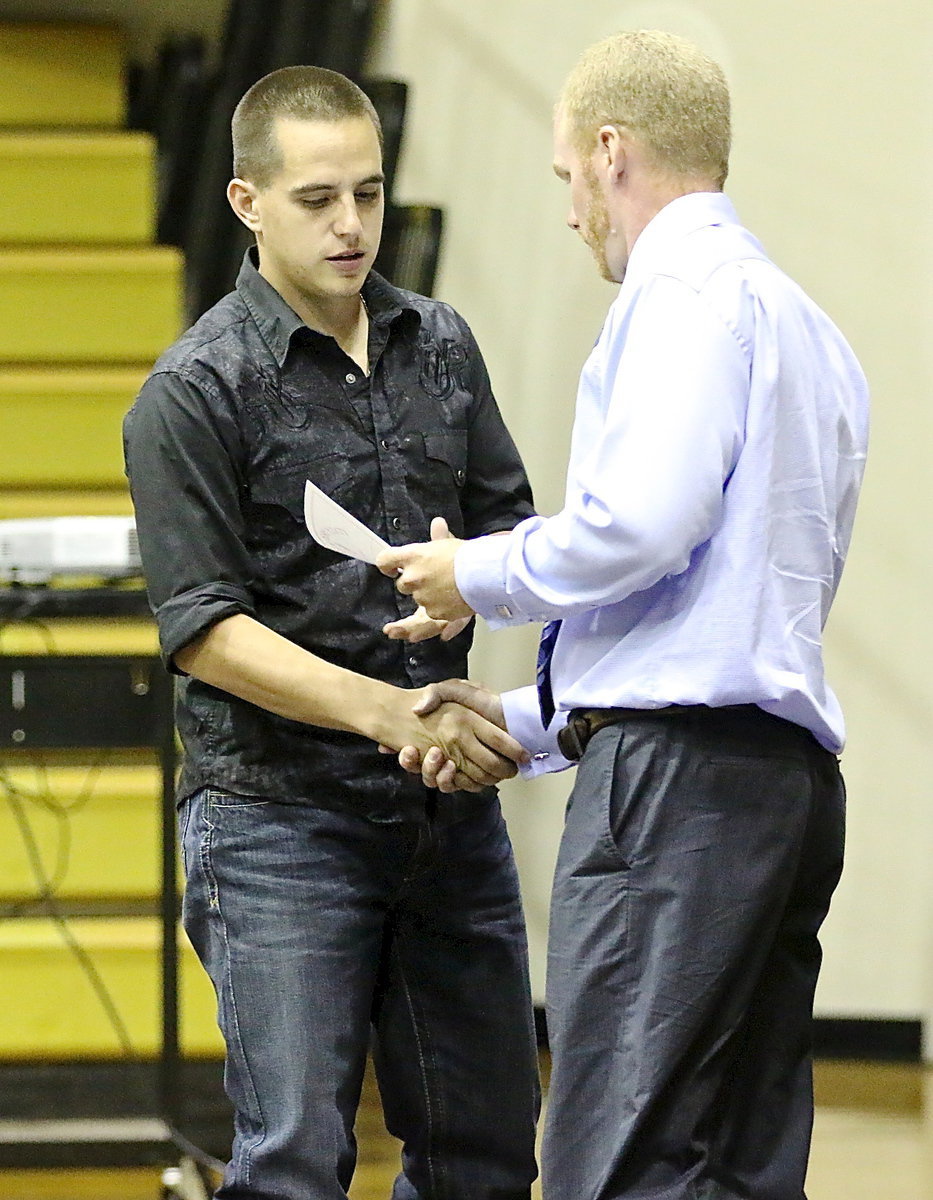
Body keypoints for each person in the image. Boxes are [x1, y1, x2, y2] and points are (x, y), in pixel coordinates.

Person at [378, 29, 870, 1200]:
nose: (568, 213)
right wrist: (528, 720)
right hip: (781, 791)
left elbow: (646, 527)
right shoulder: (808, 327)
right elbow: (720, 618)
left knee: (618, 1167)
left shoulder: (679, 297)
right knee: (738, 1169)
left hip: (677, 803)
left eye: (564, 180)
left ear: (610, 153)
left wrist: (476, 577)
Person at [123, 65, 540, 1200]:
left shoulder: (440, 341)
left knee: (489, 1152)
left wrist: (480, 592)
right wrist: (388, 712)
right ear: (247, 202)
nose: (353, 224)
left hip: (444, 812)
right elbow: (204, 629)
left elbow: (516, 539)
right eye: (318, 199)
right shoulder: (193, 389)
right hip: (276, 820)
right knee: (298, 1160)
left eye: (368, 190)